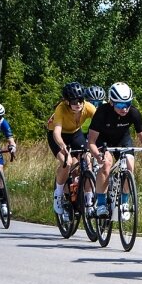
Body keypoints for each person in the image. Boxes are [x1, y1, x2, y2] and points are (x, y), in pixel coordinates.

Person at [87, 82, 142, 219]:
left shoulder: (134, 112)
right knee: (106, 164)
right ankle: (100, 204)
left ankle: (123, 203)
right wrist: (97, 155)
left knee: (130, 165)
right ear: (111, 102)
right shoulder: (102, 112)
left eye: (128, 104)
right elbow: (91, 142)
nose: (125, 109)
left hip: (122, 139)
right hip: (102, 140)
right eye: (120, 105)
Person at [47, 82, 97, 217]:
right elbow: (56, 133)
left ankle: (88, 198)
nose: (78, 104)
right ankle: (58, 195)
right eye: (75, 101)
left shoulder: (88, 107)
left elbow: (100, 124)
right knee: (67, 162)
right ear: (67, 101)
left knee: (86, 162)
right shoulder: (61, 109)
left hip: (75, 134)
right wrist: (63, 146)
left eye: (81, 100)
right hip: (58, 136)